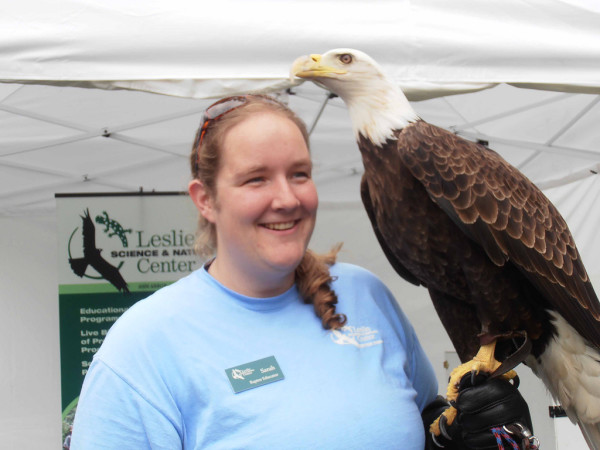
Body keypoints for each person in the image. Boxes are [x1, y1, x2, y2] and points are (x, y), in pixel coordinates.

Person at [70, 94, 534, 449]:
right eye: (256, 178)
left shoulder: (365, 295)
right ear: (205, 199)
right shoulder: (144, 345)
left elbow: (422, 422)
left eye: (299, 173)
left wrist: (463, 435)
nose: (287, 198)